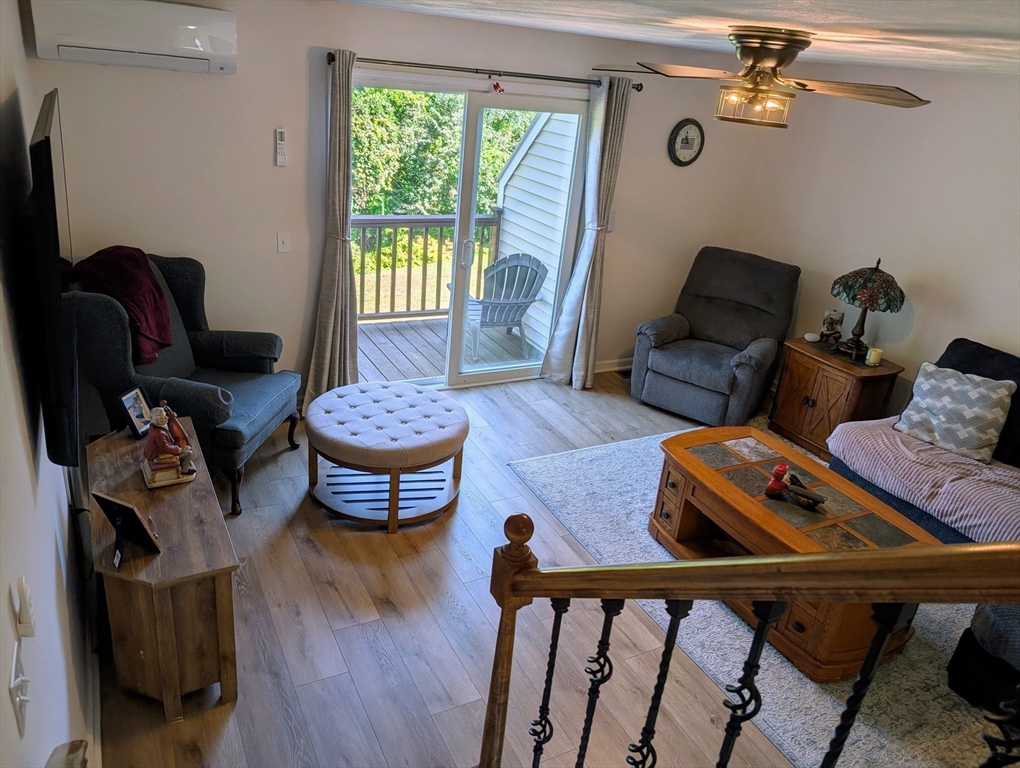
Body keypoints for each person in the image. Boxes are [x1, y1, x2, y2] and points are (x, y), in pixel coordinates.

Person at [144, 407, 195, 476]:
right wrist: (180, 450)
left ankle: (184, 464)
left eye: (165, 415)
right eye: (162, 416)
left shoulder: (154, 426)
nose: (165, 417)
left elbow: (166, 426)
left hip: (154, 451)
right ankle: (184, 470)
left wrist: (171, 417)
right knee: (188, 453)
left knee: (184, 447)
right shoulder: (159, 434)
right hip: (158, 454)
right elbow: (165, 448)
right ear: (155, 419)